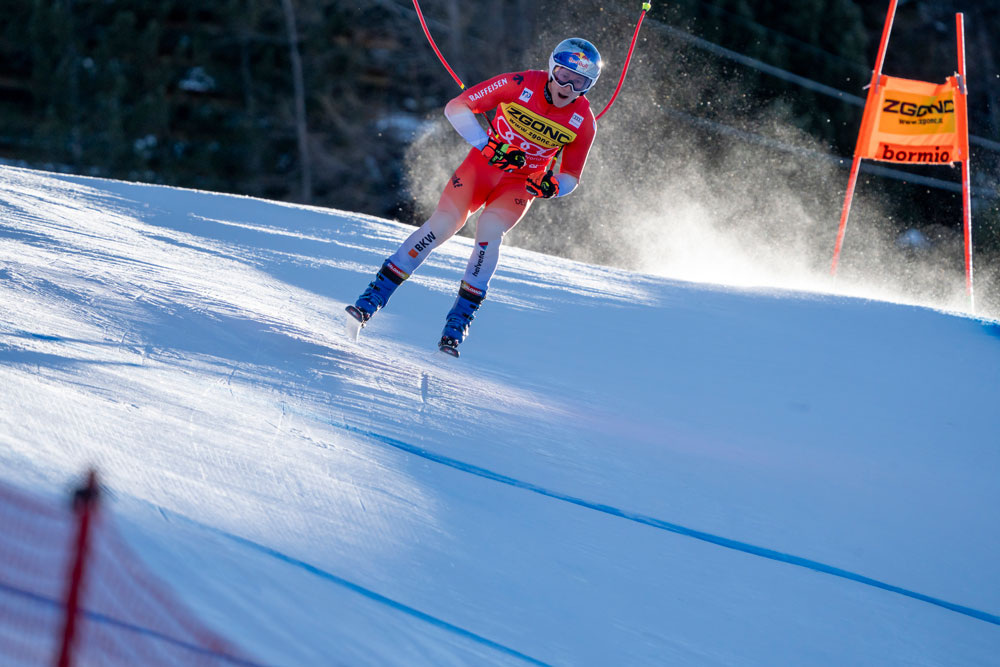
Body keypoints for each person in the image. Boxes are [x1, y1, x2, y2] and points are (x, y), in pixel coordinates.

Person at [346, 38, 602, 357]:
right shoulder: (520, 83)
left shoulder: (583, 120)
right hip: (480, 170)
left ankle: (458, 324)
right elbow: (456, 107)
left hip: (519, 186)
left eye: (579, 82)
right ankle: (371, 300)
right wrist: (486, 144)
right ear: (552, 69)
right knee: (443, 225)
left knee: (489, 233)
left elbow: (571, 177)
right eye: (564, 75)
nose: (568, 87)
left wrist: (552, 186)